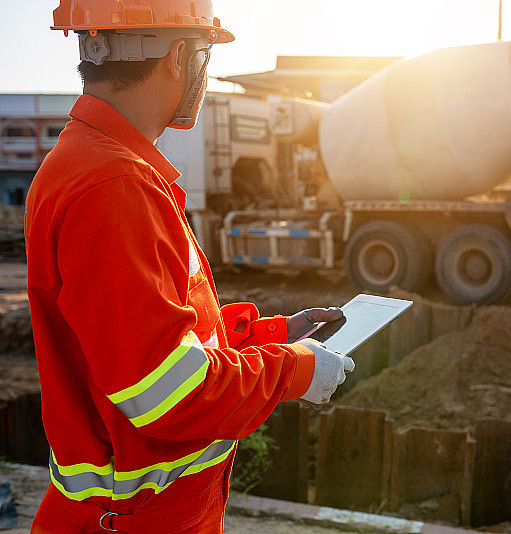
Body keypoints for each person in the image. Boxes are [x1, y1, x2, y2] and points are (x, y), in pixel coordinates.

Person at [24, 1, 354, 532]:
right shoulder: (115, 185)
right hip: (140, 518)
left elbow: (146, 335)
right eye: (206, 54)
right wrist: (295, 370)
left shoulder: (93, 164)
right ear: (180, 57)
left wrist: (267, 336)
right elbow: (168, 394)